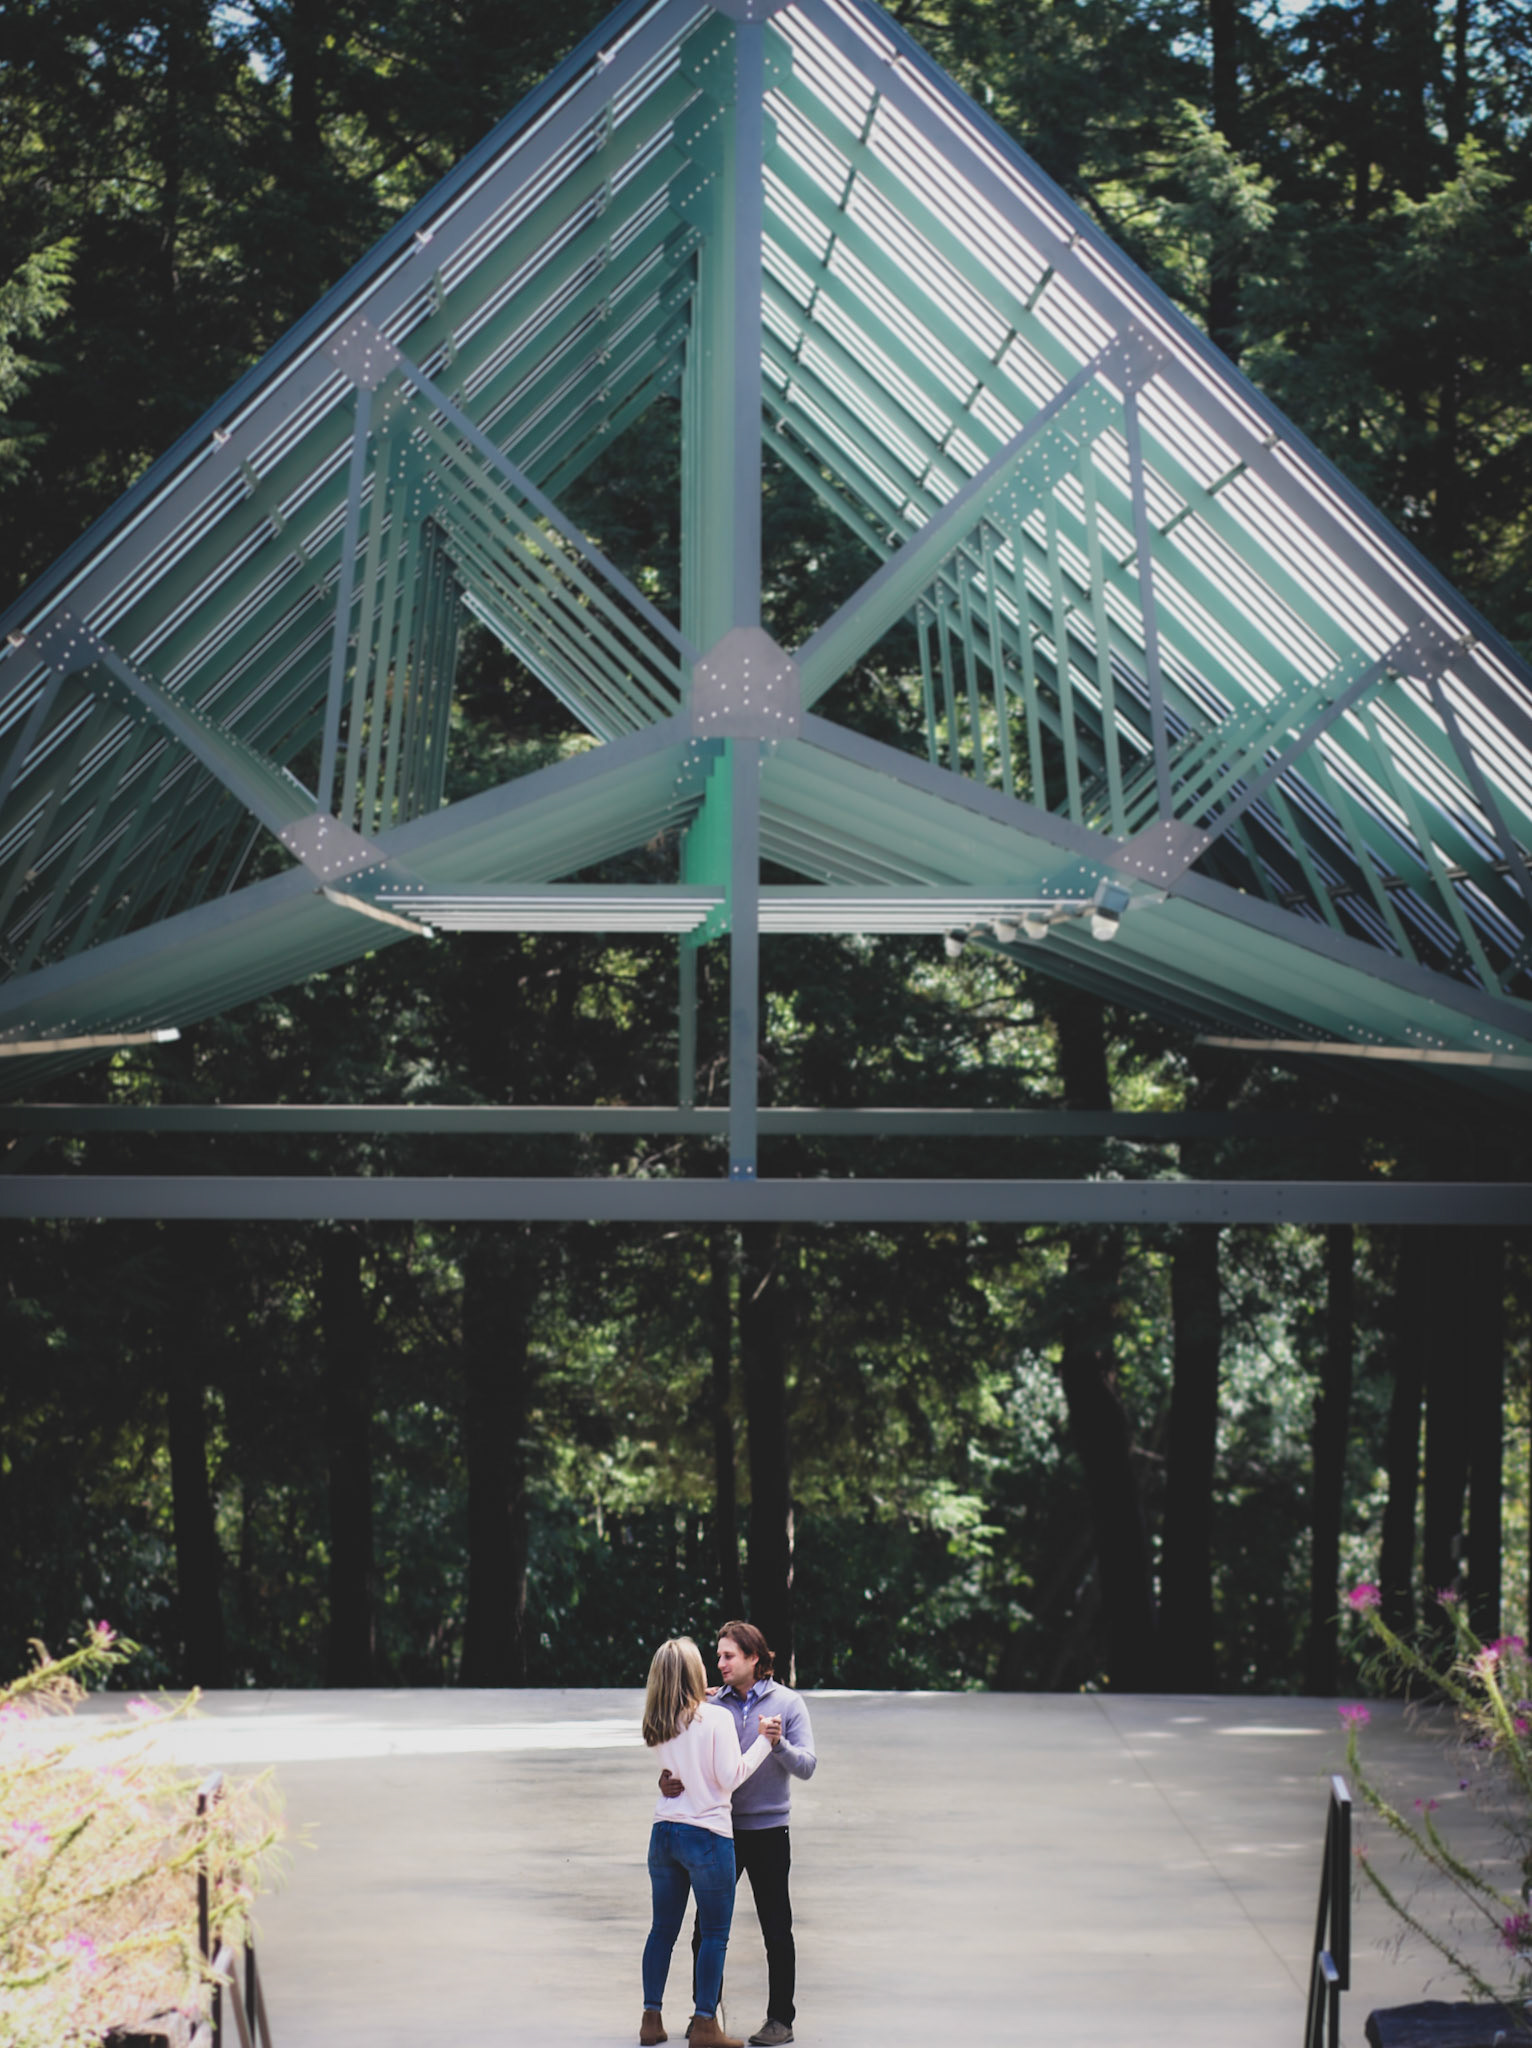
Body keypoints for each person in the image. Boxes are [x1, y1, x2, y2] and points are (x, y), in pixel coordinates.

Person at [659, 1621, 816, 2047]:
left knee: (776, 1928)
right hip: (719, 1832)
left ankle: (780, 2020)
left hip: (769, 1831)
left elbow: (807, 1766)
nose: (720, 1663)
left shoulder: (788, 1703)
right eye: (718, 1656)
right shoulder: (709, 1704)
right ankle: (704, 2017)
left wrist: (778, 1744)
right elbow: (682, 1752)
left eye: (729, 1656)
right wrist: (665, 1778)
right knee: (705, 1930)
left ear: (753, 1657)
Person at [639, 1635, 781, 2048]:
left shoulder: (657, 1721)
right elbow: (731, 1777)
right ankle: (705, 2026)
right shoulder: (715, 1718)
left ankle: (651, 2020)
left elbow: (676, 1768)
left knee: (661, 1931)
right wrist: (764, 1741)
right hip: (707, 1834)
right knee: (715, 1934)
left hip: (664, 1832)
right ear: (693, 1673)